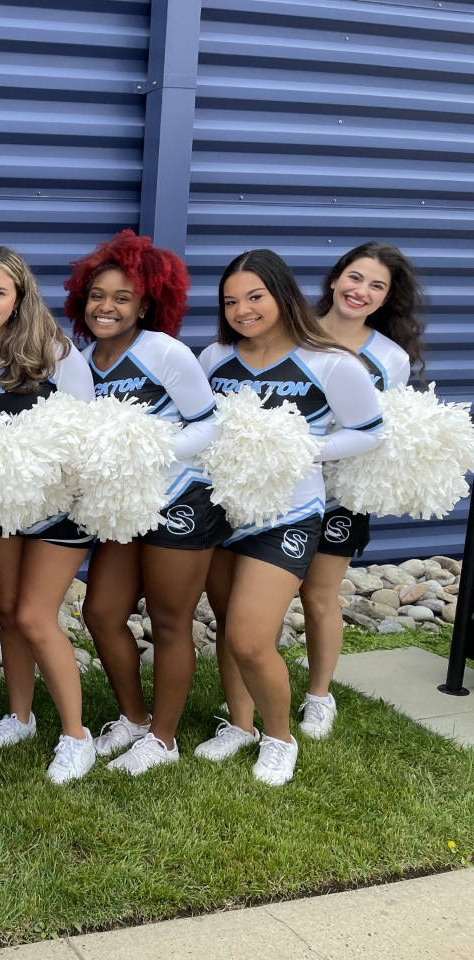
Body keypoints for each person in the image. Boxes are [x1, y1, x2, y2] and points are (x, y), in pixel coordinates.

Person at [198, 249, 383, 786]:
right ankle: (240, 724)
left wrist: (300, 445)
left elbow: (369, 429)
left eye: (255, 297)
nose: (243, 310)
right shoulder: (214, 358)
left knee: (253, 637)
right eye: (231, 301)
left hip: (289, 515)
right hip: (223, 512)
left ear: (283, 295)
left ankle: (280, 736)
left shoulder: (329, 361)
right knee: (229, 628)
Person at [63, 229, 226, 776]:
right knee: (102, 612)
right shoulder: (81, 359)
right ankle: (134, 719)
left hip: (180, 499)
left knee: (169, 621)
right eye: (97, 296)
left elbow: (208, 425)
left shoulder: (165, 352)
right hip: (125, 508)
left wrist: (149, 452)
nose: (106, 307)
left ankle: (164, 738)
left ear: (147, 303)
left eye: (122, 297)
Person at [0, 245, 97, 782]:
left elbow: (87, 434)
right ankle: (20, 716)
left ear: (19, 298)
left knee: (36, 616)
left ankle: (77, 736)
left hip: (60, 509)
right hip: (1, 507)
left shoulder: (55, 352)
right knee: (11, 610)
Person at [298, 243, 424, 739]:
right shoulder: (292, 328)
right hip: (282, 486)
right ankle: (252, 684)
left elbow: (378, 428)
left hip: (340, 492)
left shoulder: (388, 356)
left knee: (319, 595)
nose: (361, 292)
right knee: (260, 592)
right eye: (355, 278)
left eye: (377, 286)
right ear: (334, 279)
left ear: (387, 298)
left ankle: (318, 695)